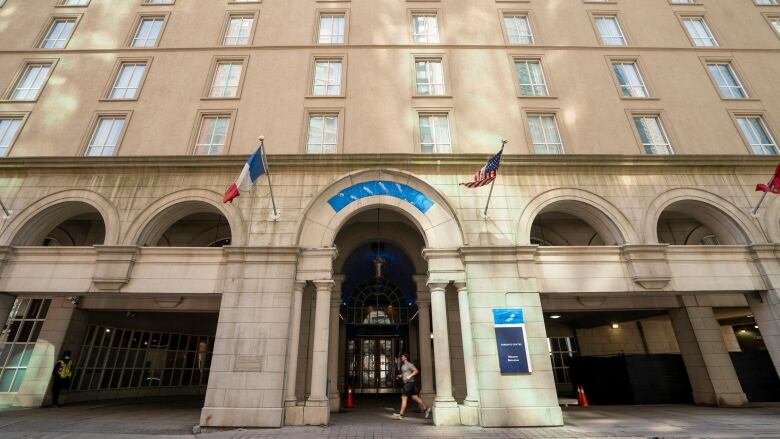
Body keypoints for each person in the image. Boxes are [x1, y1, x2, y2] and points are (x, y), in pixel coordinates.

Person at [393, 353, 431, 420]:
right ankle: (426, 408)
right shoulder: (403, 365)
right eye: (401, 356)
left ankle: (401, 414)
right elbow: (405, 373)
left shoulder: (409, 364)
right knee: (415, 397)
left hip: (408, 384)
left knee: (404, 397)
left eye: (402, 356)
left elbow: (416, 371)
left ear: (406, 357)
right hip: (412, 383)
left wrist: (409, 376)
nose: (401, 357)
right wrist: (400, 376)